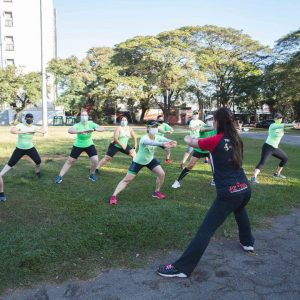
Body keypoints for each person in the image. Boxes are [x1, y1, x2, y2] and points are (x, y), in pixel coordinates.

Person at [157, 107, 254, 278]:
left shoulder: (214, 140)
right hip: (245, 189)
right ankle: (248, 242)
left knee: (206, 230)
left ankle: (182, 268)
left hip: (229, 193)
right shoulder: (237, 139)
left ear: (218, 121)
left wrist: (188, 135)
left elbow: (191, 142)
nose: (212, 122)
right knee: (239, 208)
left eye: (214, 119)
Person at [109, 120, 177, 205]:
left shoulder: (158, 137)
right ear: (148, 128)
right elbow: (151, 142)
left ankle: (156, 192)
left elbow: (169, 140)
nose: (155, 128)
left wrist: (173, 142)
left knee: (161, 174)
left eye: (156, 127)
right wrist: (162, 144)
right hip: (138, 161)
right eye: (153, 127)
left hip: (150, 160)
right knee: (127, 180)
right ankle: (113, 196)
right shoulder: (144, 138)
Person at [55, 109, 105, 184]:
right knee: (70, 161)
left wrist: (94, 129)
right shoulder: (77, 125)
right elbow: (69, 130)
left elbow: (102, 128)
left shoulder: (91, 124)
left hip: (89, 144)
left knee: (95, 160)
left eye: (85, 115)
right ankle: (60, 176)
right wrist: (80, 131)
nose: (84, 117)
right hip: (78, 145)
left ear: (88, 116)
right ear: (80, 117)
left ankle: (91, 174)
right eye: (82, 115)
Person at [250, 113, 299, 184]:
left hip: (275, 148)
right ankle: (253, 177)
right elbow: (285, 125)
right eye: (278, 118)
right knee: (263, 162)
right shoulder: (273, 125)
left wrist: (295, 126)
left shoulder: (281, 127)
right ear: (275, 119)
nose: (279, 119)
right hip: (268, 147)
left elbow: (288, 127)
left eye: (280, 118)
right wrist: (293, 124)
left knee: (285, 158)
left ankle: (277, 174)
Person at [172, 115, 216, 189]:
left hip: (209, 150)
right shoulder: (203, 126)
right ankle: (178, 181)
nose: (211, 120)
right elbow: (202, 130)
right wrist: (215, 127)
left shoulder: (216, 129)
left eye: (212, 119)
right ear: (206, 120)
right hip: (199, 149)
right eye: (209, 119)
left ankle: (214, 180)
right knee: (190, 165)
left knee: (215, 166)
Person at [0, 113, 46, 179]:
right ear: (25, 119)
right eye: (28, 118)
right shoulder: (20, 125)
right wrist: (24, 132)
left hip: (30, 148)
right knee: (11, 163)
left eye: (31, 118)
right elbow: (12, 131)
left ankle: (37, 172)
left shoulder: (34, 127)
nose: (29, 119)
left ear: (32, 119)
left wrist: (35, 131)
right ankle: (0, 175)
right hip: (20, 148)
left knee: (38, 161)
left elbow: (44, 131)